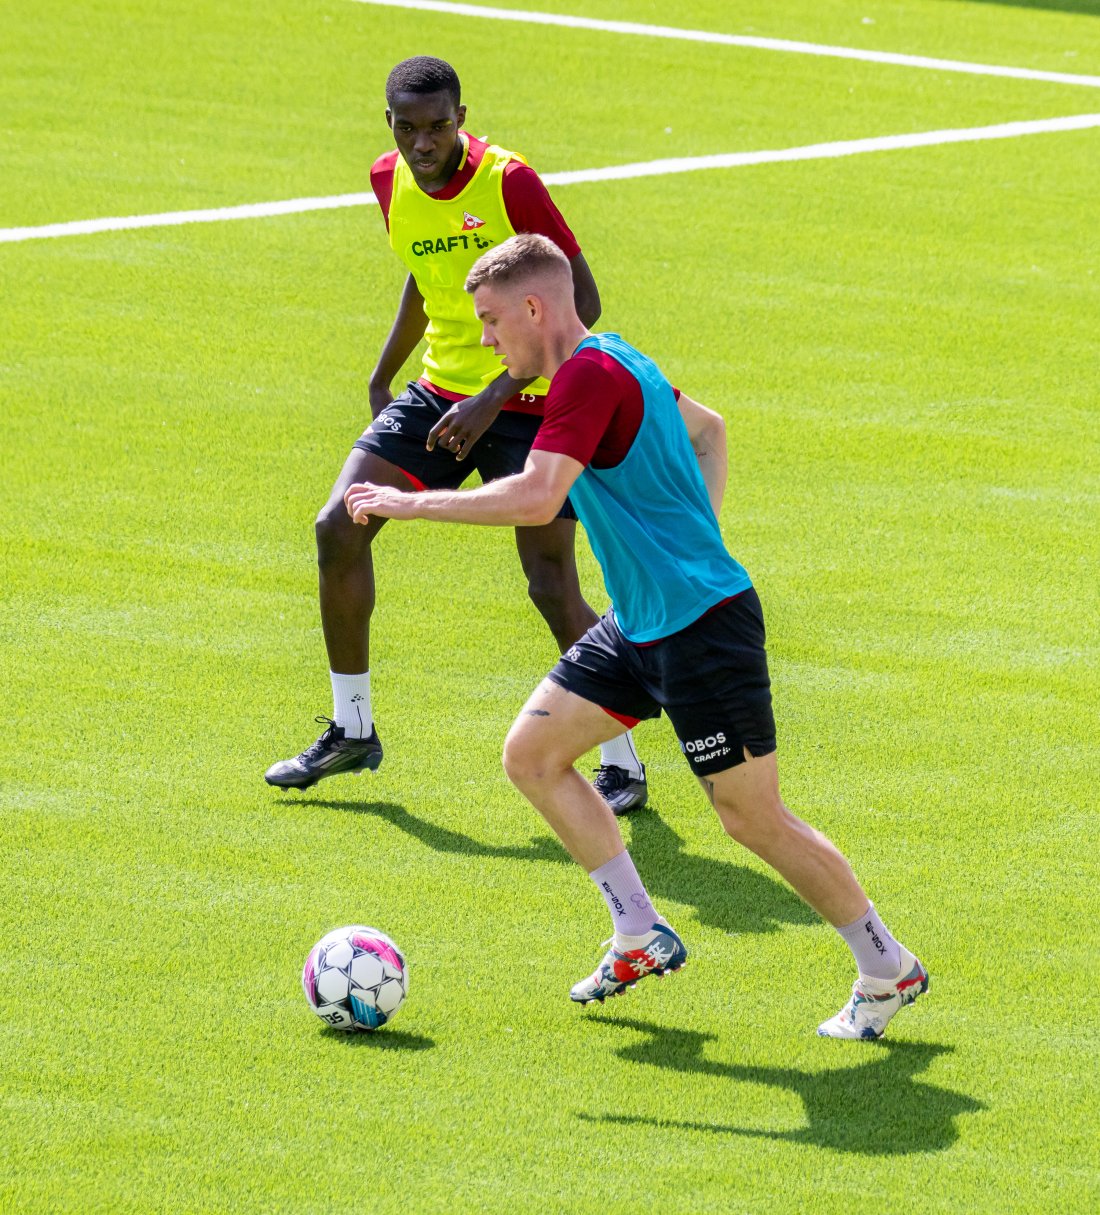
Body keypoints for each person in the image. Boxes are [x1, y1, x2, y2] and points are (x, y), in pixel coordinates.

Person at [343, 233, 930, 1040]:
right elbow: (710, 430)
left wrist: (408, 503)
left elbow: (539, 496)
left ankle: (886, 965)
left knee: (753, 818)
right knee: (533, 755)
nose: (484, 339)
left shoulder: (583, 376)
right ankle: (638, 930)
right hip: (643, 622)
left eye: (489, 321)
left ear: (534, 308)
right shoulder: (621, 357)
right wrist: (689, 542)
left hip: (701, 627)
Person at [265, 56, 648, 813]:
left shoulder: (509, 183)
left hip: (532, 400)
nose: (424, 143)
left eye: (439, 126)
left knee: (549, 582)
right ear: (390, 126)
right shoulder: (388, 179)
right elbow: (424, 269)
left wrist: (496, 395)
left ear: (461, 117)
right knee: (339, 525)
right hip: (440, 393)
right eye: (409, 129)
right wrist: (385, 374)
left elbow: (586, 300)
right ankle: (352, 728)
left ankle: (623, 763)